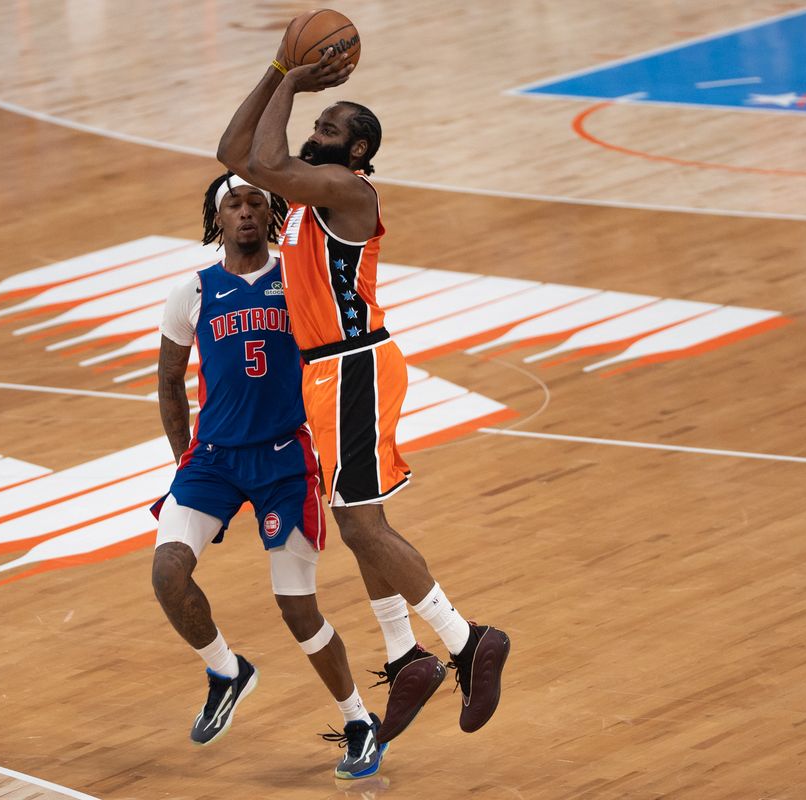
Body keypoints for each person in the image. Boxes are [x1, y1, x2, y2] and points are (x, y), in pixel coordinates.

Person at [216, 35, 510, 745]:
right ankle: (406, 655)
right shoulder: (308, 202)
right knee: (360, 524)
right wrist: (278, 71)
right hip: (326, 373)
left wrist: (295, 79)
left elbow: (263, 161)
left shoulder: (348, 192)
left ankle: (468, 641)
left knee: (362, 526)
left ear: (356, 154)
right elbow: (236, 156)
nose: (314, 132)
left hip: (354, 366)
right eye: (318, 122)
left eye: (329, 128)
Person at [150, 171, 386, 780]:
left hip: (285, 458)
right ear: (217, 218)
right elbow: (169, 379)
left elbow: (343, 353)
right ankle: (227, 670)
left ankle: (359, 718)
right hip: (214, 458)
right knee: (167, 572)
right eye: (235, 204)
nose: (247, 212)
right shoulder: (194, 291)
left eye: (257, 201)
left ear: (273, 212)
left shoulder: (299, 279)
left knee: (296, 607)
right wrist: (183, 457)